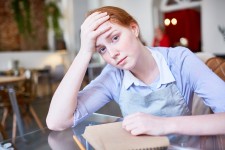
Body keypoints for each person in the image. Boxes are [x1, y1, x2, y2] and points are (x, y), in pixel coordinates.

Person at [46, 6, 225, 136]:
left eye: (115, 38)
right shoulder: (113, 75)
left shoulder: (180, 60)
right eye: (101, 49)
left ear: (134, 29)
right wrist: (84, 52)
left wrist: (164, 125)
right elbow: (56, 121)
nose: (112, 54)